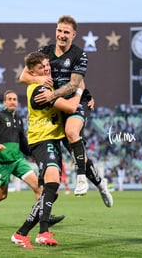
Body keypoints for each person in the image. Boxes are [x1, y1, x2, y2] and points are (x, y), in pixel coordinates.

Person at [19, 16, 113, 207]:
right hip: (58, 107)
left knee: (72, 132)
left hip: (76, 100)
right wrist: (38, 81)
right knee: (77, 153)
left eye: (66, 32)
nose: (62, 35)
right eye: (59, 31)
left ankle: (81, 178)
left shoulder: (80, 55)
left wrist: (52, 95)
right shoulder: (44, 51)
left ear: (74, 35)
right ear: (56, 30)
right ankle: (101, 184)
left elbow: (74, 85)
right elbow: (24, 75)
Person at [11, 51, 84, 248]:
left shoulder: (47, 83)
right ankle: (43, 232)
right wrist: (79, 91)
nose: (47, 68)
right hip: (42, 140)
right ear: (33, 72)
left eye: (47, 64)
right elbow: (69, 108)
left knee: (51, 191)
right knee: (52, 181)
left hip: (51, 140)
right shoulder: (39, 90)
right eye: (41, 67)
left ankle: (22, 233)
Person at [0, 90, 64, 229]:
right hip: (1, 162)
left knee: (38, 187)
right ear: (5, 102)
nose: (12, 101)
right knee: (2, 195)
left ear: (17, 102)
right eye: (9, 99)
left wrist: (34, 154)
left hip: (17, 160)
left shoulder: (18, 119)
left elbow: (23, 142)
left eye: (14, 99)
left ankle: (45, 216)